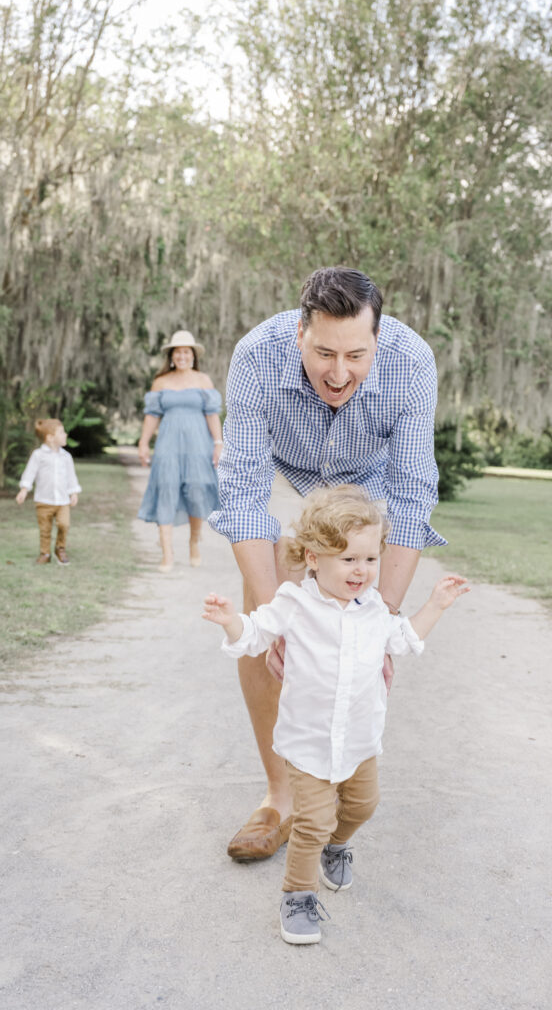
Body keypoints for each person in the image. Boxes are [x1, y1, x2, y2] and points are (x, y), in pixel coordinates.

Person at [209, 266, 448, 861]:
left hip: (368, 488)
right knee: (268, 624)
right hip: (287, 481)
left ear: (377, 337)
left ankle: (340, 779)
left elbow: (414, 490)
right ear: (299, 333)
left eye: (356, 356)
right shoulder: (257, 356)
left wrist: (382, 615)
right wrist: (273, 617)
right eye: (323, 353)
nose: (338, 374)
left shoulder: (411, 362)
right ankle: (280, 797)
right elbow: (242, 492)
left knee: (358, 624)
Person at [203, 485, 469, 945]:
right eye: (347, 559)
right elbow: (255, 634)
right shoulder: (295, 603)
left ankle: (338, 847)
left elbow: (402, 639)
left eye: (370, 559)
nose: (361, 571)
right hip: (308, 742)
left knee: (364, 805)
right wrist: (230, 620)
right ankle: (297, 896)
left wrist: (436, 606)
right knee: (312, 823)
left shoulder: (373, 610)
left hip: (360, 739)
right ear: (312, 557)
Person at [137, 329, 223, 572]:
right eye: (178, 352)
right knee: (166, 489)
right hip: (167, 445)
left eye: (186, 352)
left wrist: (218, 443)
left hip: (198, 445)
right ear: (171, 356)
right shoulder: (161, 382)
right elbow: (152, 416)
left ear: (193, 355)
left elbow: (212, 415)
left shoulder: (203, 380)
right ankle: (167, 554)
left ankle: (194, 541)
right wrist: (143, 443)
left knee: (197, 490)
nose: (182, 356)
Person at [16, 418, 81, 565]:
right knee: (45, 529)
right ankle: (45, 553)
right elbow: (30, 473)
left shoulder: (66, 457)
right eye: (61, 432)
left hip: (62, 501)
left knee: (64, 524)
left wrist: (74, 492)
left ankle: (60, 549)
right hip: (43, 500)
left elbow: (71, 476)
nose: (65, 435)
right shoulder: (38, 455)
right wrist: (24, 490)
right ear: (50, 438)